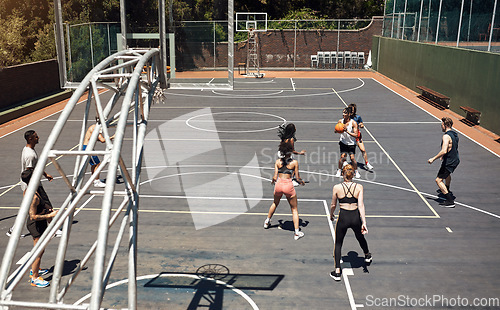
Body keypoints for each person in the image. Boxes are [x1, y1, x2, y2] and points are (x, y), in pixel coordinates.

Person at [7, 130, 54, 237]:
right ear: (30, 139)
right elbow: (29, 172)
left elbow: (36, 168)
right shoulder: (30, 155)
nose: (38, 138)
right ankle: (53, 230)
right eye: (36, 137)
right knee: (47, 205)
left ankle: (13, 230)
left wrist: (45, 175)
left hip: (33, 184)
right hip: (32, 185)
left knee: (27, 208)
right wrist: (32, 188)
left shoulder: (28, 150)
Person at [329, 164, 372, 281]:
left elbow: (333, 204)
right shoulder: (359, 187)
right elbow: (361, 205)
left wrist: (331, 214)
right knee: (360, 237)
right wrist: (364, 222)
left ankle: (337, 271)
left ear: (343, 174)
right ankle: (367, 255)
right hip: (354, 217)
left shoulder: (337, 187)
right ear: (353, 174)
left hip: (343, 217)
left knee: (338, 243)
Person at [22, 169, 58, 288]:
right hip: (36, 225)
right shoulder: (33, 196)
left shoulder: (32, 190)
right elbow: (33, 216)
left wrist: (46, 210)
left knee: (40, 251)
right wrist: (50, 215)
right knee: (38, 251)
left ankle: (35, 270)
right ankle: (35, 278)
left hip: (40, 222)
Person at [264, 141, 306, 240]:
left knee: (275, 203)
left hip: (278, 185)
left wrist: (273, 181)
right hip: (288, 185)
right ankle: (296, 233)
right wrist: (302, 182)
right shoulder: (294, 163)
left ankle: (267, 221)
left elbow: (274, 177)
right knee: (294, 209)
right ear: (290, 152)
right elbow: (297, 177)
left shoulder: (278, 162)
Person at [428, 117, 460, 207]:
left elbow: (444, 150)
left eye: (441, 125)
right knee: (447, 174)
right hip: (455, 159)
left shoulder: (446, 136)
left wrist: (433, 159)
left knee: (438, 180)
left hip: (449, 161)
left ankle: (450, 201)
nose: (441, 127)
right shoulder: (455, 134)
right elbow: (452, 147)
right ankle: (447, 189)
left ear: (445, 125)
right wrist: (443, 156)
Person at [335, 107, 360, 179]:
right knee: (343, 157)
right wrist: (338, 130)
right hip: (343, 142)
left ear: (349, 114)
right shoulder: (340, 121)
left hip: (351, 143)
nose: (343, 114)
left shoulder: (353, 123)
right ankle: (339, 170)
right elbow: (335, 130)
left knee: (352, 158)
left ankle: (356, 171)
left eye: (345, 113)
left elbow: (356, 135)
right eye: (343, 112)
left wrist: (347, 131)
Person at [83, 118, 109, 187]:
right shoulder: (96, 128)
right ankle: (97, 181)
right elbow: (102, 140)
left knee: (94, 164)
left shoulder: (93, 126)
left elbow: (95, 138)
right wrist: (112, 137)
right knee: (98, 164)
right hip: (88, 148)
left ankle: (94, 179)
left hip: (86, 147)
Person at [348, 103, 373, 170]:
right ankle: (344, 162)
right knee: (348, 152)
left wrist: (361, 125)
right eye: (351, 109)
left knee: (363, 150)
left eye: (353, 110)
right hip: (350, 136)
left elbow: (361, 124)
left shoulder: (358, 117)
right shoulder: (347, 117)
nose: (352, 111)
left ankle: (367, 163)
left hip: (357, 136)